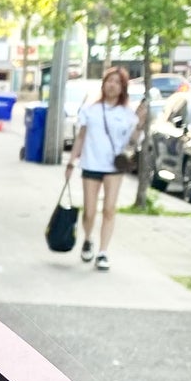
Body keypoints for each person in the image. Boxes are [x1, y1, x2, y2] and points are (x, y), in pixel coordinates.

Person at [66, 66, 147, 271]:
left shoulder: (127, 113)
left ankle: (103, 252)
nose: (112, 85)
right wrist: (71, 162)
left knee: (109, 209)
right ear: (103, 84)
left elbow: (133, 142)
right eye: (109, 81)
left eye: (117, 82)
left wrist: (140, 124)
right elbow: (81, 136)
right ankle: (87, 239)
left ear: (123, 88)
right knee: (90, 211)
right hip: (91, 163)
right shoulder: (90, 110)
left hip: (114, 167)